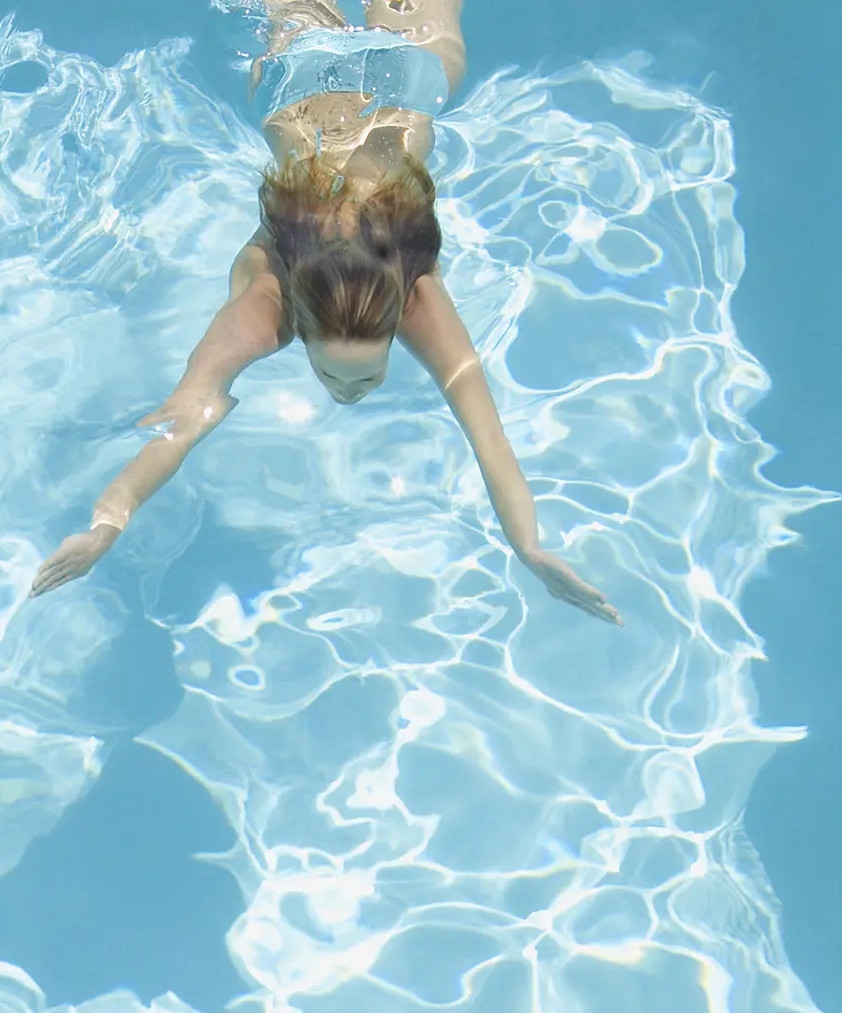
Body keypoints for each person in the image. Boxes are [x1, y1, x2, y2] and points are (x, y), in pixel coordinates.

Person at [31, 0, 620, 625]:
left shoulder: (416, 303)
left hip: (305, 84)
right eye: (347, 377)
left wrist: (528, 548)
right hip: (395, 83)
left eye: (358, 377)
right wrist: (107, 523)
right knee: (436, 56)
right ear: (299, 326)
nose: (349, 393)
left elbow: (490, 440)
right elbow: (186, 416)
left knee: (332, 34)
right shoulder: (263, 305)